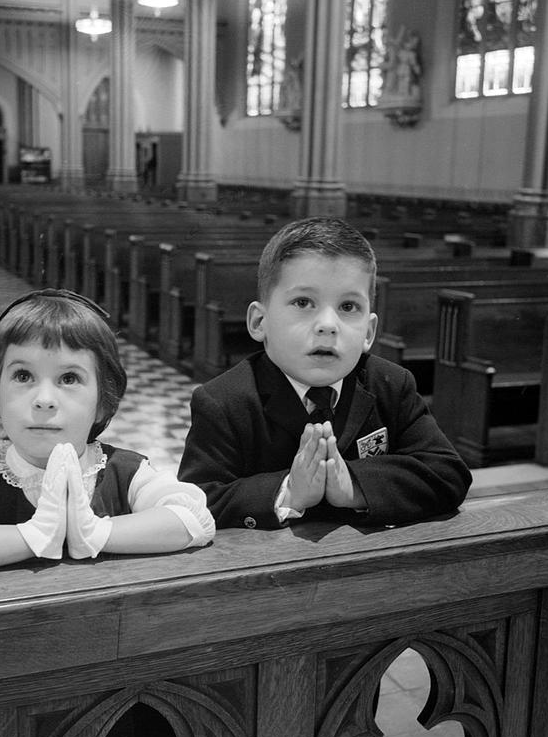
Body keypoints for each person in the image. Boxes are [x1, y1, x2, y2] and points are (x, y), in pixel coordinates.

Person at [178, 216, 472, 532]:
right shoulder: (223, 401)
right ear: (259, 322)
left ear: (369, 332)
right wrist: (289, 492)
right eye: (303, 302)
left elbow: (448, 473)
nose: (328, 324)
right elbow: (196, 501)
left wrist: (354, 488)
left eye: (348, 307)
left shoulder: (391, 384)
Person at [0, 288, 215, 574]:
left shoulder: (125, 471)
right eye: (23, 376)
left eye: (69, 379)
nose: (44, 400)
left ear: (103, 403)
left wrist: (93, 532)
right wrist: (35, 534)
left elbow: (193, 519)